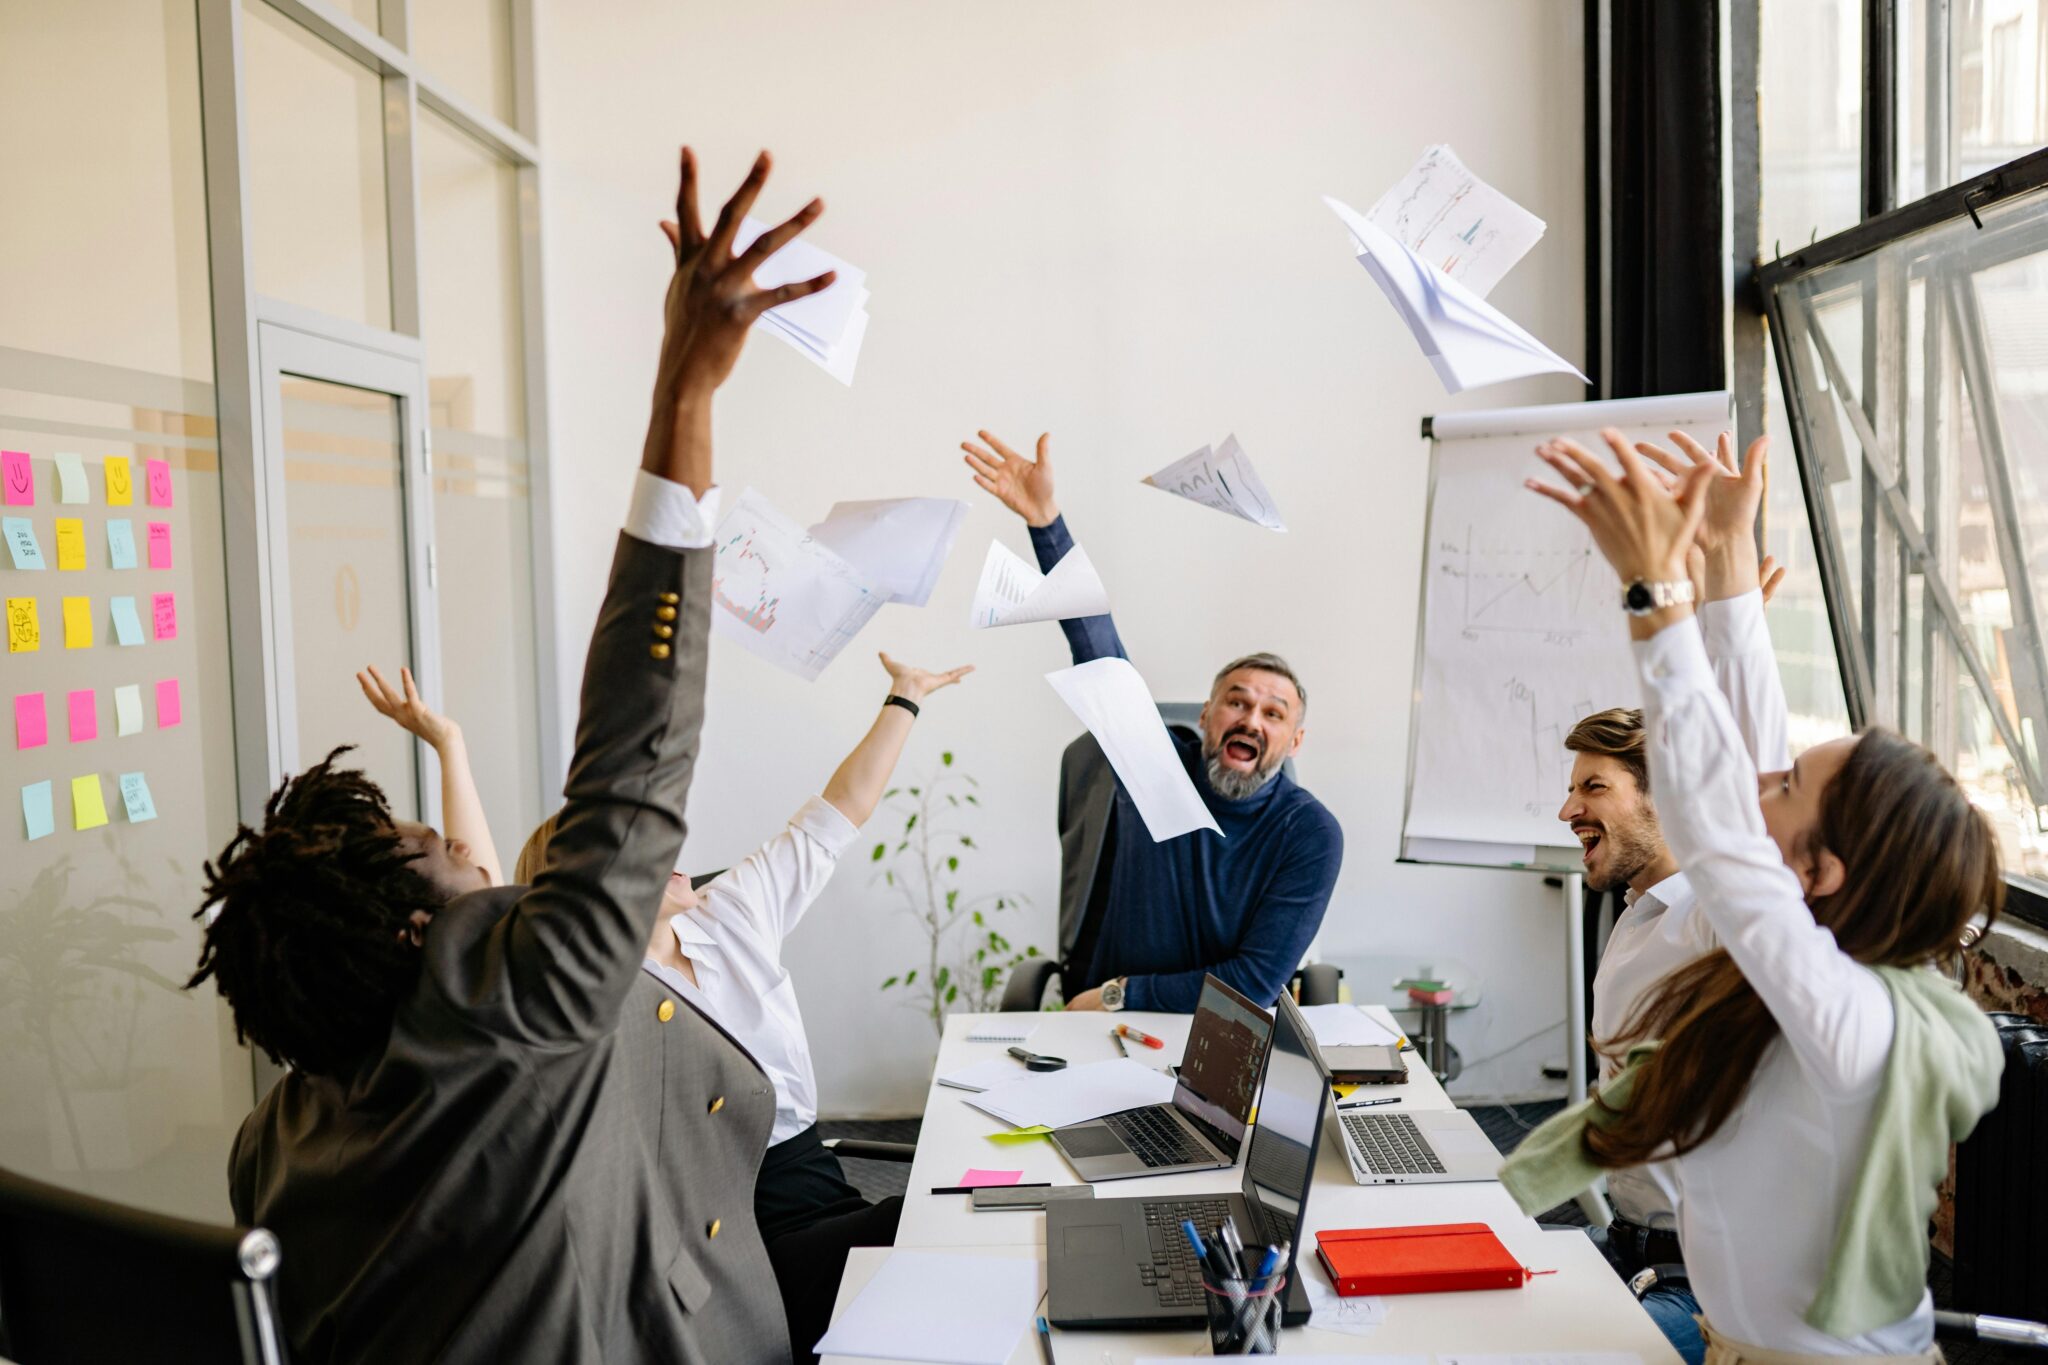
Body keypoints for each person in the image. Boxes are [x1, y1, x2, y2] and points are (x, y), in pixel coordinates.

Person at [186, 148, 836, 1365]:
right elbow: (631, 760)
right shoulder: (522, 1005)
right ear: (413, 938)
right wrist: (685, 387)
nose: (461, 855)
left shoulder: (273, 1145)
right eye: (432, 853)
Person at [1505, 428, 2005, 1361]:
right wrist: (1728, 564)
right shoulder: (1811, 970)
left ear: (1819, 877)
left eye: (1780, 793)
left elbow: (1720, 832)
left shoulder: (1851, 1017)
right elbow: (1756, 759)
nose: (1754, 782)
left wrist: (1658, 596)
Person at [510, 650, 972, 1364]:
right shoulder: (600, 1001)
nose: (671, 847)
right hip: (728, 1241)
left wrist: (905, 696)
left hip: (819, 1182)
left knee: (936, 1252)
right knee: (935, 1229)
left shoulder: (727, 912)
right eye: (638, 847)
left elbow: (836, 813)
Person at [959, 428, 1342, 1013]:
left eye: (1274, 713)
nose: (1252, 720)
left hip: (1211, 1032)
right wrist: (1045, 523)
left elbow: (1253, 986)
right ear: (1208, 715)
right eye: (1237, 702)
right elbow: (1099, 651)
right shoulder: (1156, 767)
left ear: (1295, 740)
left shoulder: (1310, 833)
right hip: (1098, 1031)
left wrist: (1118, 995)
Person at [1555, 435, 1793, 1365]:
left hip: (1695, 1287)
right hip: (1631, 1249)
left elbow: (1751, 796)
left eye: (1595, 788)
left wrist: (1715, 598)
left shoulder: (1714, 920)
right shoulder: (1637, 914)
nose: (1569, 807)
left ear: (1665, 795)